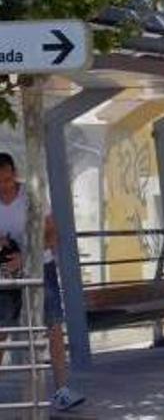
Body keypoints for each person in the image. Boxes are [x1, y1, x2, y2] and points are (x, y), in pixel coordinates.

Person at [0, 152, 86, 411]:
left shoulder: (32, 197)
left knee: (53, 325)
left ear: (14, 174)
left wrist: (25, 257)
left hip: (40, 267)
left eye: (7, 179)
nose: (3, 186)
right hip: (5, 271)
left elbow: (51, 236)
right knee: (2, 328)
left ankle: (61, 389)